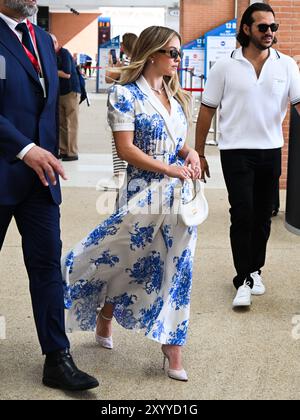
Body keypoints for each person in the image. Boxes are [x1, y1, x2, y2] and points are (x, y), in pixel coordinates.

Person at [62, 26, 201, 382]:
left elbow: (180, 143)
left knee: (178, 268)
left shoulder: (177, 95)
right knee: (126, 258)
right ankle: (105, 314)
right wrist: (168, 167)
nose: (177, 59)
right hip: (142, 194)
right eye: (172, 53)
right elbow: (127, 150)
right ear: (152, 53)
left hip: (179, 198)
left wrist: (192, 153)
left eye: (179, 53)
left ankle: (173, 347)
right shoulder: (124, 95)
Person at [0, 0, 99, 391]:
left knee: (46, 268)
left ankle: (57, 357)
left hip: (41, 181)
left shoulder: (43, 40)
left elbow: (46, 107)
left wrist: (48, 153)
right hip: (9, 167)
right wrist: (25, 149)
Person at [195, 2, 300, 308]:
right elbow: (207, 110)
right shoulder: (224, 66)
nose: (270, 33)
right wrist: (199, 153)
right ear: (246, 29)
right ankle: (242, 279)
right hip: (235, 151)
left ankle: (255, 269)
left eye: (274, 27)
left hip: (270, 150)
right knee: (242, 213)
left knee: (263, 217)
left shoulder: (286, 65)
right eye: (263, 27)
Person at [99, 33, 138, 191]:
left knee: (118, 142)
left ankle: (119, 176)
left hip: (122, 107)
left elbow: (108, 78)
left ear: (125, 45)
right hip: (131, 106)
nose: (120, 46)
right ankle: (125, 175)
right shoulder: (135, 61)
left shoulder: (128, 62)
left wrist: (111, 63)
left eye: (122, 44)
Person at [51, 34, 81, 162]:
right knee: (62, 123)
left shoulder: (64, 53)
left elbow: (67, 74)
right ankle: (63, 150)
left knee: (71, 124)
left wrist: (51, 70)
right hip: (60, 93)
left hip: (71, 92)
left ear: (56, 42)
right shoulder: (53, 55)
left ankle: (72, 152)